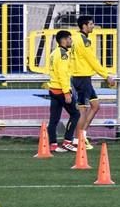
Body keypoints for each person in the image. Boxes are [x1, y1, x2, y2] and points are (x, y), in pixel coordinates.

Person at [70, 15, 116, 150]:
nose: (93, 26)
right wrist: (106, 75)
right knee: (83, 111)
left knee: (95, 106)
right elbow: (92, 60)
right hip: (82, 77)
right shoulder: (84, 41)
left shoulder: (75, 38)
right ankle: (77, 140)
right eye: (91, 24)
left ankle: (82, 136)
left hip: (82, 77)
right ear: (84, 26)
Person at [47, 30, 79, 153]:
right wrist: (66, 92)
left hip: (53, 89)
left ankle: (53, 144)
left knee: (54, 119)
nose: (71, 41)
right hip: (61, 90)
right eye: (70, 39)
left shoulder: (54, 53)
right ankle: (67, 142)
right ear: (64, 40)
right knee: (75, 114)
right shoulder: (63, 55)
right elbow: (63, 75)